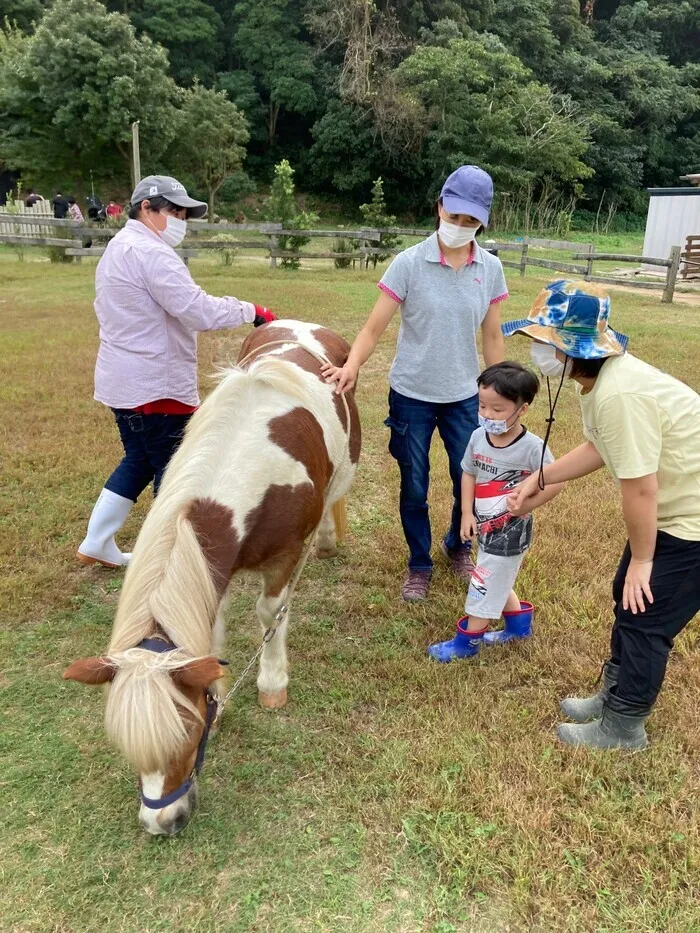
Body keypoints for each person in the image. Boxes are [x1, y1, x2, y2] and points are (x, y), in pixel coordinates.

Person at [506, 280, 700, 750]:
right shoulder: (600, 381)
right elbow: (599, 446)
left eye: (543, 342)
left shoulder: (619, 395)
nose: (536, 351)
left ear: (571, 348)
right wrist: (544, 477)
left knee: (645, 618)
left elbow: (640, 488)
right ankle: (614, 695)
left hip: (690, 521)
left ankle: (623, 726)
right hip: (675, 512)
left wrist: (642, 560)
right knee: (626, 597)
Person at [323, 165, 508, 602]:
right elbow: (373, 328)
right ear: (439, 207)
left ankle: (458, 545)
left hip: (466, 397)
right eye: (455, 216)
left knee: (470, 478)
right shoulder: (408, 263)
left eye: (471, 221)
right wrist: (351, 366)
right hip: (412, 397)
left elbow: (493, 334)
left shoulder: (491, 269)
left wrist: (503, 392)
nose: (460, 227)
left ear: (483, 220)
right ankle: (419, 563)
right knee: (416, 483)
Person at [77, 174, 277, 569]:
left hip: (124, 380)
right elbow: (197, 310)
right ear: (145, 208)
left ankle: (97, 541)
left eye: (184, 212)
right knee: (175, 470)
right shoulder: (152, 254)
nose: (180, 219)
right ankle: (169, 554)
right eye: (172, 210)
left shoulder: (119, 247)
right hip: (156, 385)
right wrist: (251, 311)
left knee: (139, 459)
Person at [428, 362, 563, 661]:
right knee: (497, 578)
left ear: (522, 409)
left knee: (483, 581)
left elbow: (556, 479)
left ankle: (466, 644)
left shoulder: (531, 447)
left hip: (511, 531)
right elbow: (468, 473)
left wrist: (528, 504)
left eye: (497, 409)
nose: (487, 414)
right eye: (482, 405)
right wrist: (466, 513)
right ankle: (518, 627)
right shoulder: (478, 437)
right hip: (485, 527)